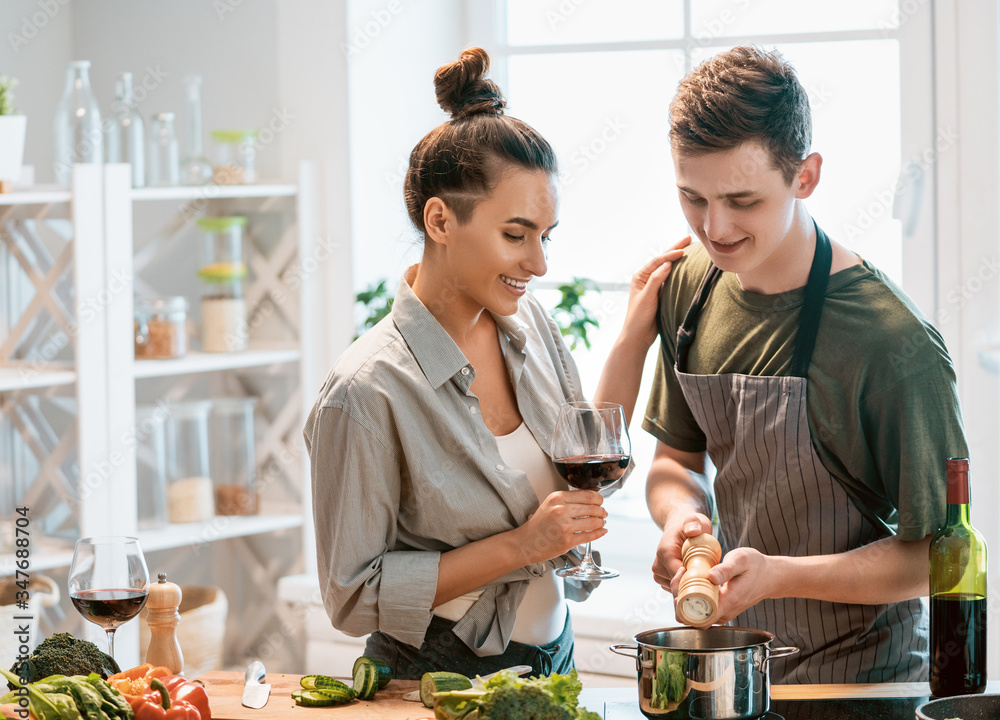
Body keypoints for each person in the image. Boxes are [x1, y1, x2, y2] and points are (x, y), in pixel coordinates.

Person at [304, 47, 689, 679]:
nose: (539, 265)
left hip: (553, 658)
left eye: (547, 235)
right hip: (438, 674)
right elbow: (351, 595)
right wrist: (522, 546)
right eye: (516, 235)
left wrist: (630, 341)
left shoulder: (528, 323)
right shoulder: (365, 391)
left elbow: (587, 471)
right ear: (440, 221)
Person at [644, 45, 968, 684]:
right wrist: (680, 516)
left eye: (743, 200)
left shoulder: (891, 345)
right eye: (693, 198)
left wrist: (779, 574)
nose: (715, 228)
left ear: (806, 176)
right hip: (738, 675)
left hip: (863, 686)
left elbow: (941, 559)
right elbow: (674, 461)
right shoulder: (689, 288)